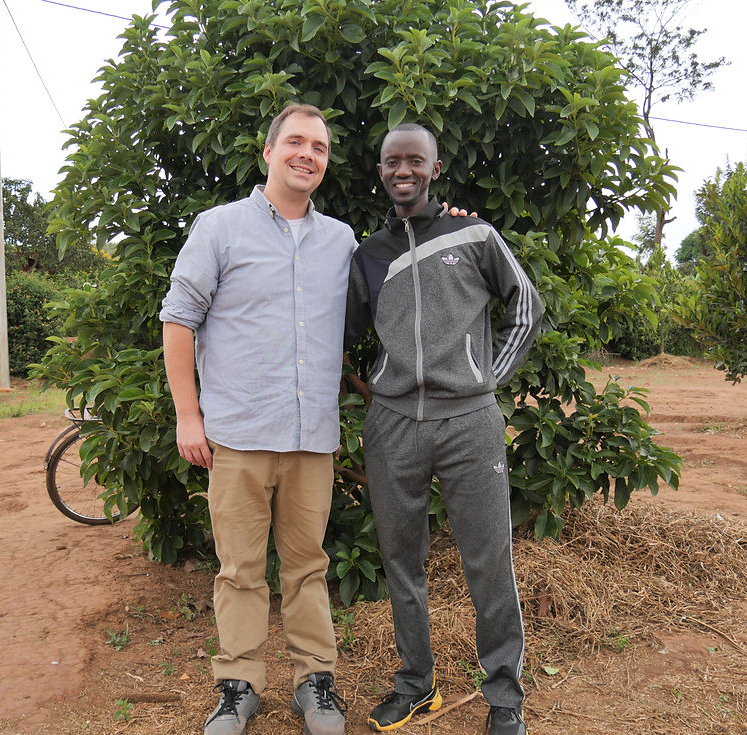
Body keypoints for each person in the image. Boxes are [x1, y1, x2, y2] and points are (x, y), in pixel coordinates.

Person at [160, 104, 354, 735]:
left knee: (308, 566)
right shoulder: (219, 228)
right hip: (238, 436)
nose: (308, 154)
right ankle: (238, 686)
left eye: (319, 147)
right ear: (267, 153)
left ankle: (314, 684)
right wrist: (188, 415)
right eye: (295, 142)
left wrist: (452, 222)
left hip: (310, 440)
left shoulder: (342, 242)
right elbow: (178, 319)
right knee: (239, 569)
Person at [345, 123, 544, 735]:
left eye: (414, 161)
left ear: (434, 168)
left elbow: (526, 308)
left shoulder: (474, 234)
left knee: (489, 559)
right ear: (380, 170)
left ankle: (504, 695)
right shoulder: (369, 254)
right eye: (391, 161)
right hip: (394, 425)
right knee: (402, 561)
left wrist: (484, 377)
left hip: (470, 424)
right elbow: (342, 338)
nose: (402, 170)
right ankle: (416, 685)